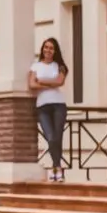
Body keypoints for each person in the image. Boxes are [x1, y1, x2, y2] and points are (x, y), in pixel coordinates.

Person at [29, 37, 69, 182]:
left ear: (55, 51)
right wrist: (50, 85)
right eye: (46, 47)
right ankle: (57, 167)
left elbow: (60, 81)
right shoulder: (36, 66)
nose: (48, 50)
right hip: (43, 107)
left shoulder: (60, 66)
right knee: (51, 137)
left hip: (59, 105)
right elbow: (32, 85)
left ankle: (56, 169)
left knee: (57, 138)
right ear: (42, 49)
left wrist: (42, 81)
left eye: (51, 48)